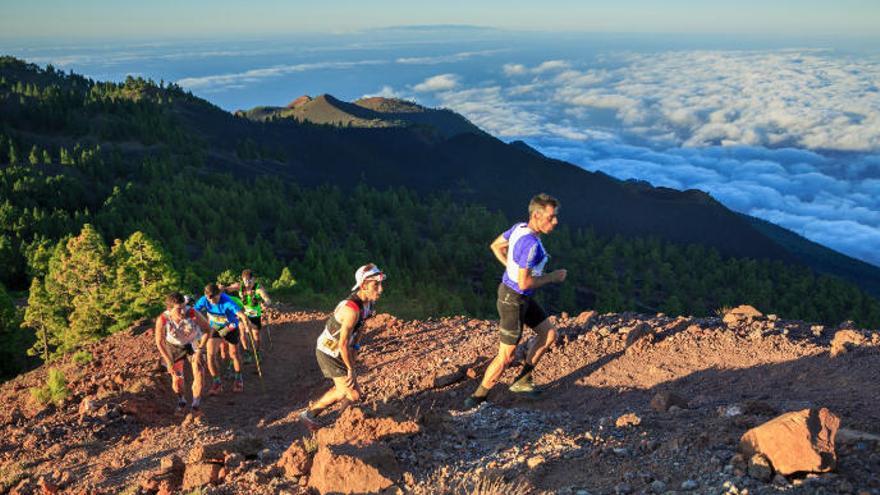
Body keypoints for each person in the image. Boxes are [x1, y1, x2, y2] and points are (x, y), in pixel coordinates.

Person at [464, 193, 568, 409]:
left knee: (548, 334)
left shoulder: (519, 228)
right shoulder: (531, 245)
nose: (555, 221)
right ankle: (477, 397)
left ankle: (522, 381)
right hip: (514, 299)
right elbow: (524, 283)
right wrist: (553, 277)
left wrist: (510, 268)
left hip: (518, 296)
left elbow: (495, 246)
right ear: (537, 216)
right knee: (506, 356)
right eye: (551, 217)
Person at [299, 263, 385, 430]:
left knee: (348, 393)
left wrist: (357, 349)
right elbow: (343, 343)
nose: (380, 289)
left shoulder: (368, 305)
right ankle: (340, 425)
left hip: (339, 350)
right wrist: (351, 368)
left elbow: (359, 330)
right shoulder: (351, 310)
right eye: (376, 285)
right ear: (363, 286)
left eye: (381, 284)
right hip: (329, 351)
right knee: (352, 393)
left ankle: (315, 417)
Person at [154, 292, 211, 417]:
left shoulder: (192, 312)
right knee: (177, 377)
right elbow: (159, 341)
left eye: (183, 307)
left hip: (193, 342)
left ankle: (196, 405)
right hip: (174, 346)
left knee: (199, 371)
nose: (182, 311)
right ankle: (182, 402)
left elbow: (207, 329)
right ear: (169, 309)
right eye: (179, 309)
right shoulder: (163, 319)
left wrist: (200, 349)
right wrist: (168, 360)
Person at [193, 283, 251, 394]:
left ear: (219, 294)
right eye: (209, 300)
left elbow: (240, 313)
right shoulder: (204, 299)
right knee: (210, 355)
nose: (212, 302)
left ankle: (238, 378)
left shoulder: (227, 300)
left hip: (230, 326)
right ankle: (217, 383)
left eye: (214, 299)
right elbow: (194, 311)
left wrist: (245, 320)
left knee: (233, 354)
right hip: (215, 326)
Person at [220, 269, 272, 362]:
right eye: (245, 280)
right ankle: (247, 352)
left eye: (249, 280)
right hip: (243, 313)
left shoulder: (258, 288)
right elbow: (227, 288)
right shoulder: (240, 286)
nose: (247, 283)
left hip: (255, 314)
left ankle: (257, 352)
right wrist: (221, 288)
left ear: (253, 279)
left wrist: (266, 303)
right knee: (243, 332)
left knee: (255, 335)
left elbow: (267, 299)